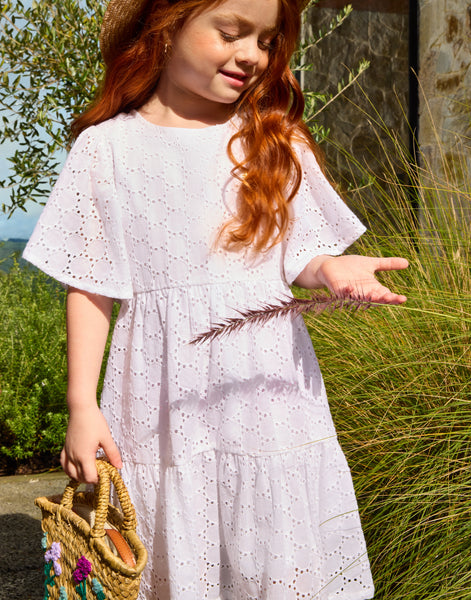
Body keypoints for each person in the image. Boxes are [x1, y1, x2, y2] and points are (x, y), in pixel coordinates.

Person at [24, 0, 408, 598]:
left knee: (275, 544)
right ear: (166, 26)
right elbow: (91, 284)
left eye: (267, 40)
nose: (252, 54)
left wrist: (331, 266)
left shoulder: (272, 140)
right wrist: (81, 405)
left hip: (267, 394)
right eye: (231, 32)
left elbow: (298, 254)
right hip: (159, 398)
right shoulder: (106, 151)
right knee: (175, 538)